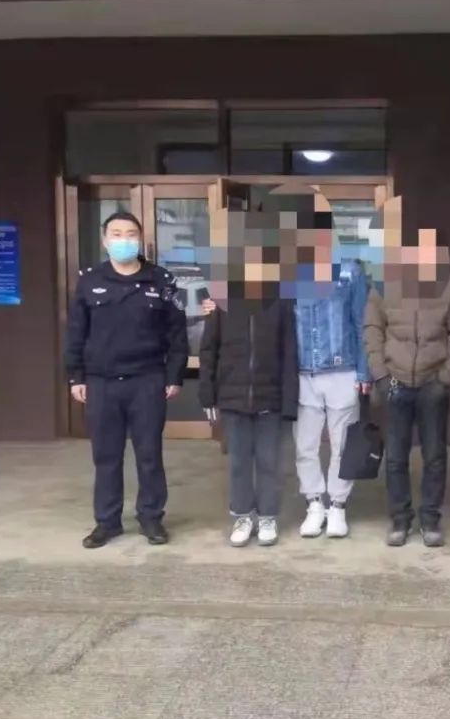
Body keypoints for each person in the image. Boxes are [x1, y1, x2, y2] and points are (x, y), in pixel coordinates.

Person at [203, 185, 371, 539]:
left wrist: (364, 369)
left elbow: (360, 322)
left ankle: (337, 506)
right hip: (301, 371)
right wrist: (216, 304)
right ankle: (314, 503)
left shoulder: (350, 271)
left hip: (341, 369)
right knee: (305, 446)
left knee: (342, 445)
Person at [65, 211, 187, 549]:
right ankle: (107, 522)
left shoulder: (161, 280)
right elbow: (76, 331)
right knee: (106, 456)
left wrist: (174, 375)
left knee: (149, 454)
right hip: (101, 382)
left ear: (140, 239)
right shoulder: (90, 280)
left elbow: (177, 333)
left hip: (147, 380)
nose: (124, 240)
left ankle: (151, 517)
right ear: (105, 241)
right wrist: (76, 376)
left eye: (131, 234)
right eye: (116, 234)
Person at [364, 227, 450, 548]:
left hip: (433, 383)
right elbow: (372, 329)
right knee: (396, 457)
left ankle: (430, 519)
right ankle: (400, 519)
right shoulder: (385, 283)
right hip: (395, 383)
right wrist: (381, 376)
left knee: (435, 456)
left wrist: (446, 377)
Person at [198, 279, 298, 548]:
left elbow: (289, 353)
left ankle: (267, 517)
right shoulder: (221, 301)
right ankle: (242, 516)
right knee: (239, 462)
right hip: (232, 397)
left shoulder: (281, 300)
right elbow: (209, 349)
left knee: (269, 462)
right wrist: (207, 393)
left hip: (270, 398)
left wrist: (289, 401)